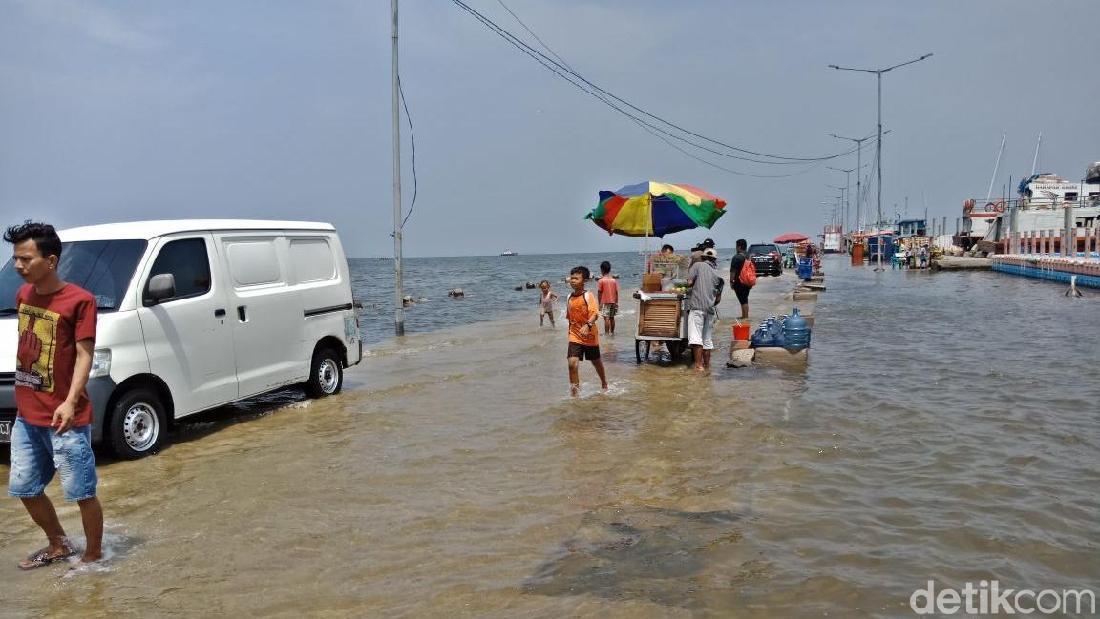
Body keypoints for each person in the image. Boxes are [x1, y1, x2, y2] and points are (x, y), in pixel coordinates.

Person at [4, 221, 104, 569]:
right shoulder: (22, 296)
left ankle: (93, 556)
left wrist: (70, 401)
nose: (18, 265)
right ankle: (59, 544)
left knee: (81, 492)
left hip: (66, 419)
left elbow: (84, 354)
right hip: (27, 415)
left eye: (25, 259)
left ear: (51, 261)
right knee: (24, 487)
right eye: (15, 258)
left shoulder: (80, 301)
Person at [566, 266, 608, 396]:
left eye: (576, 278)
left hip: (589, 335)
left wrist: (588, 325)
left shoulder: (588, 295)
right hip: (574, 335)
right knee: (572, 364)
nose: (572, 281)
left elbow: (595, 314)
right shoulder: (569, 297)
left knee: (596, 362)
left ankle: (604, 382)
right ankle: (575, 394)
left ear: (584, 280)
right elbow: (569, 317)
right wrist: (571, 331)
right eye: (571, 278)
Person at [687, 247, 722, 373]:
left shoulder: (697, 265)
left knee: (696, 338)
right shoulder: (718, 274)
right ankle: (707, 366)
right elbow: (718, 299)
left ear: (703, 258)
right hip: (710, 310)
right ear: (714, 260)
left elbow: (689, 282)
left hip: (697, 308)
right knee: (707, 339)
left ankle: (698, 365)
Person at [729, 238, 751, 320]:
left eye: (736, 246)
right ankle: (745, 316)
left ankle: (745, 318)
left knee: (743, 300)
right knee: (745, 299)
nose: (736, 248)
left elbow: (733, 271)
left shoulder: (736, 257)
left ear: (739, 247)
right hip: (748, 281)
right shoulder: (748, 256)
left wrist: (731, 282)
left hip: (739, 282)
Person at [596, 261, 619, 335]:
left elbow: (599, 293)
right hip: (613, 302)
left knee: (606, 318)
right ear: (609, 269)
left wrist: (599, 304)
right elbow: (616, 292)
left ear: (602, 270)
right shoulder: (614, 280)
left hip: (605, 302)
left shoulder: (601, 281)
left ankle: (606, 334)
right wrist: (616, 302)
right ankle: (612, 333)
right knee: (612, 318)